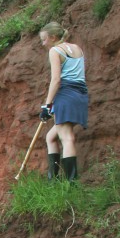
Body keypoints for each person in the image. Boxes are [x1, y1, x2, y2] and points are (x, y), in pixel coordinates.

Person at [38, 21, 88, 181]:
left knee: (67, 137)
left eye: (44, 39)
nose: (43, 43)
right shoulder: (77, 48)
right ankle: (53, 180)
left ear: (53, 37)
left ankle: (71, 183)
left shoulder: (55, 50)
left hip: (65, 95)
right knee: (51, 137)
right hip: (80, 96)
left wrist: (47, 105)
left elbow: (56, 80)